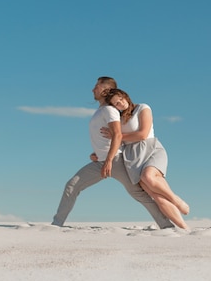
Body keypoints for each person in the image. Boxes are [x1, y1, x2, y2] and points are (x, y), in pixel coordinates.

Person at [51, 77, 174, 229]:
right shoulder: (101, 111)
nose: (92, 89)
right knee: (72, 185)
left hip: (116, 160)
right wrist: (96, 153)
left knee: (139, 194)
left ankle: (167, 226)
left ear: (105, 90)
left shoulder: (110, 110)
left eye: (96, 86)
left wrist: (109, 160)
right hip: (101, 161)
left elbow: (117, 135)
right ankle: (56, 224)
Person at [102, 88, 190, 229]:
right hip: (132, 157)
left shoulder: (142, 108)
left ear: (126, 96)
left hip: (150, 149)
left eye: (120, 99)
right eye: (116, 104)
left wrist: (117, 136)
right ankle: (184, 228)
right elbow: (114, 141)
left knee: (148, 177)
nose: (120, 104)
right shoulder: (117, 120)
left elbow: (142, 134)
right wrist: (100, 154)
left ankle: (177, 201)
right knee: (156, 196)